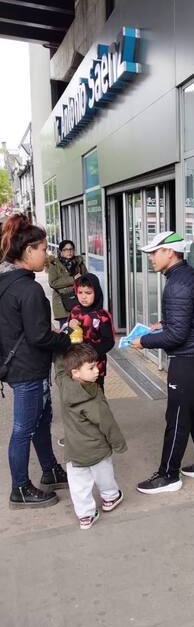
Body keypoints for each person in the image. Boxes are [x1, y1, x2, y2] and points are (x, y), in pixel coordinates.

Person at [132, 230, 194, 494]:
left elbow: (177, 335)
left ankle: (168, 475)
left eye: (154, 252)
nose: (150, 258)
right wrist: (164, 323)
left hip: (190, 361)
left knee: (178, 416)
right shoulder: (187, 276)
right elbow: (192, 318)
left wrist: (143, 341)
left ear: (170, 252)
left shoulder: (177, 284)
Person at [0, 212, 71, 508]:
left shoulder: (6, 283)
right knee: (24, 428)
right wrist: (66, 338)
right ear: (28, 251)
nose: (47, 254)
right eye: (43, 249)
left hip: (20, 365)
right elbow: (40, 337)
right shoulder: (28, 289)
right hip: (28, 369)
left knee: (41, 422)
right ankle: (20, 488)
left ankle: (50, 470)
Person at [54, 344, 126, 529]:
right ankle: (110, 497)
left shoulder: (64, 385)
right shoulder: (92, 398)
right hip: (97, 448)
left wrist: (60, 346)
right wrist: (118, 444)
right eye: (92, 367)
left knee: (79, 485)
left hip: (74, 450)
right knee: (104, 475)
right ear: (76, 372)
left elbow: (60, 369)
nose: (97, 370)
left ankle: (85, 515)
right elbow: (107, 423)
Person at [68, 273, 115, 389]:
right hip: (76, 365)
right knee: (78, 396)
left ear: (97, 293)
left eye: (88, 293)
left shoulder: (102, 316)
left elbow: (109, 341)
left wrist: (90, 353)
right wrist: (70, 327)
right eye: (80, 293)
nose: (83, 297)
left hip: (95, 366)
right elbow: (69, 335)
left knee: (96, 397)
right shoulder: (75, 311)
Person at [48, 239, 87, 328]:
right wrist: (73, 279)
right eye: (65, 250)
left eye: (71, 249)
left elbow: (86, 278)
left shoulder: (79, 262)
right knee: (66, 329)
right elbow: (53, 283)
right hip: (62, 302)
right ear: (61, 251)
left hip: (78, 300)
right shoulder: (54, 264)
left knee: (80, 329)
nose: (69, 252)